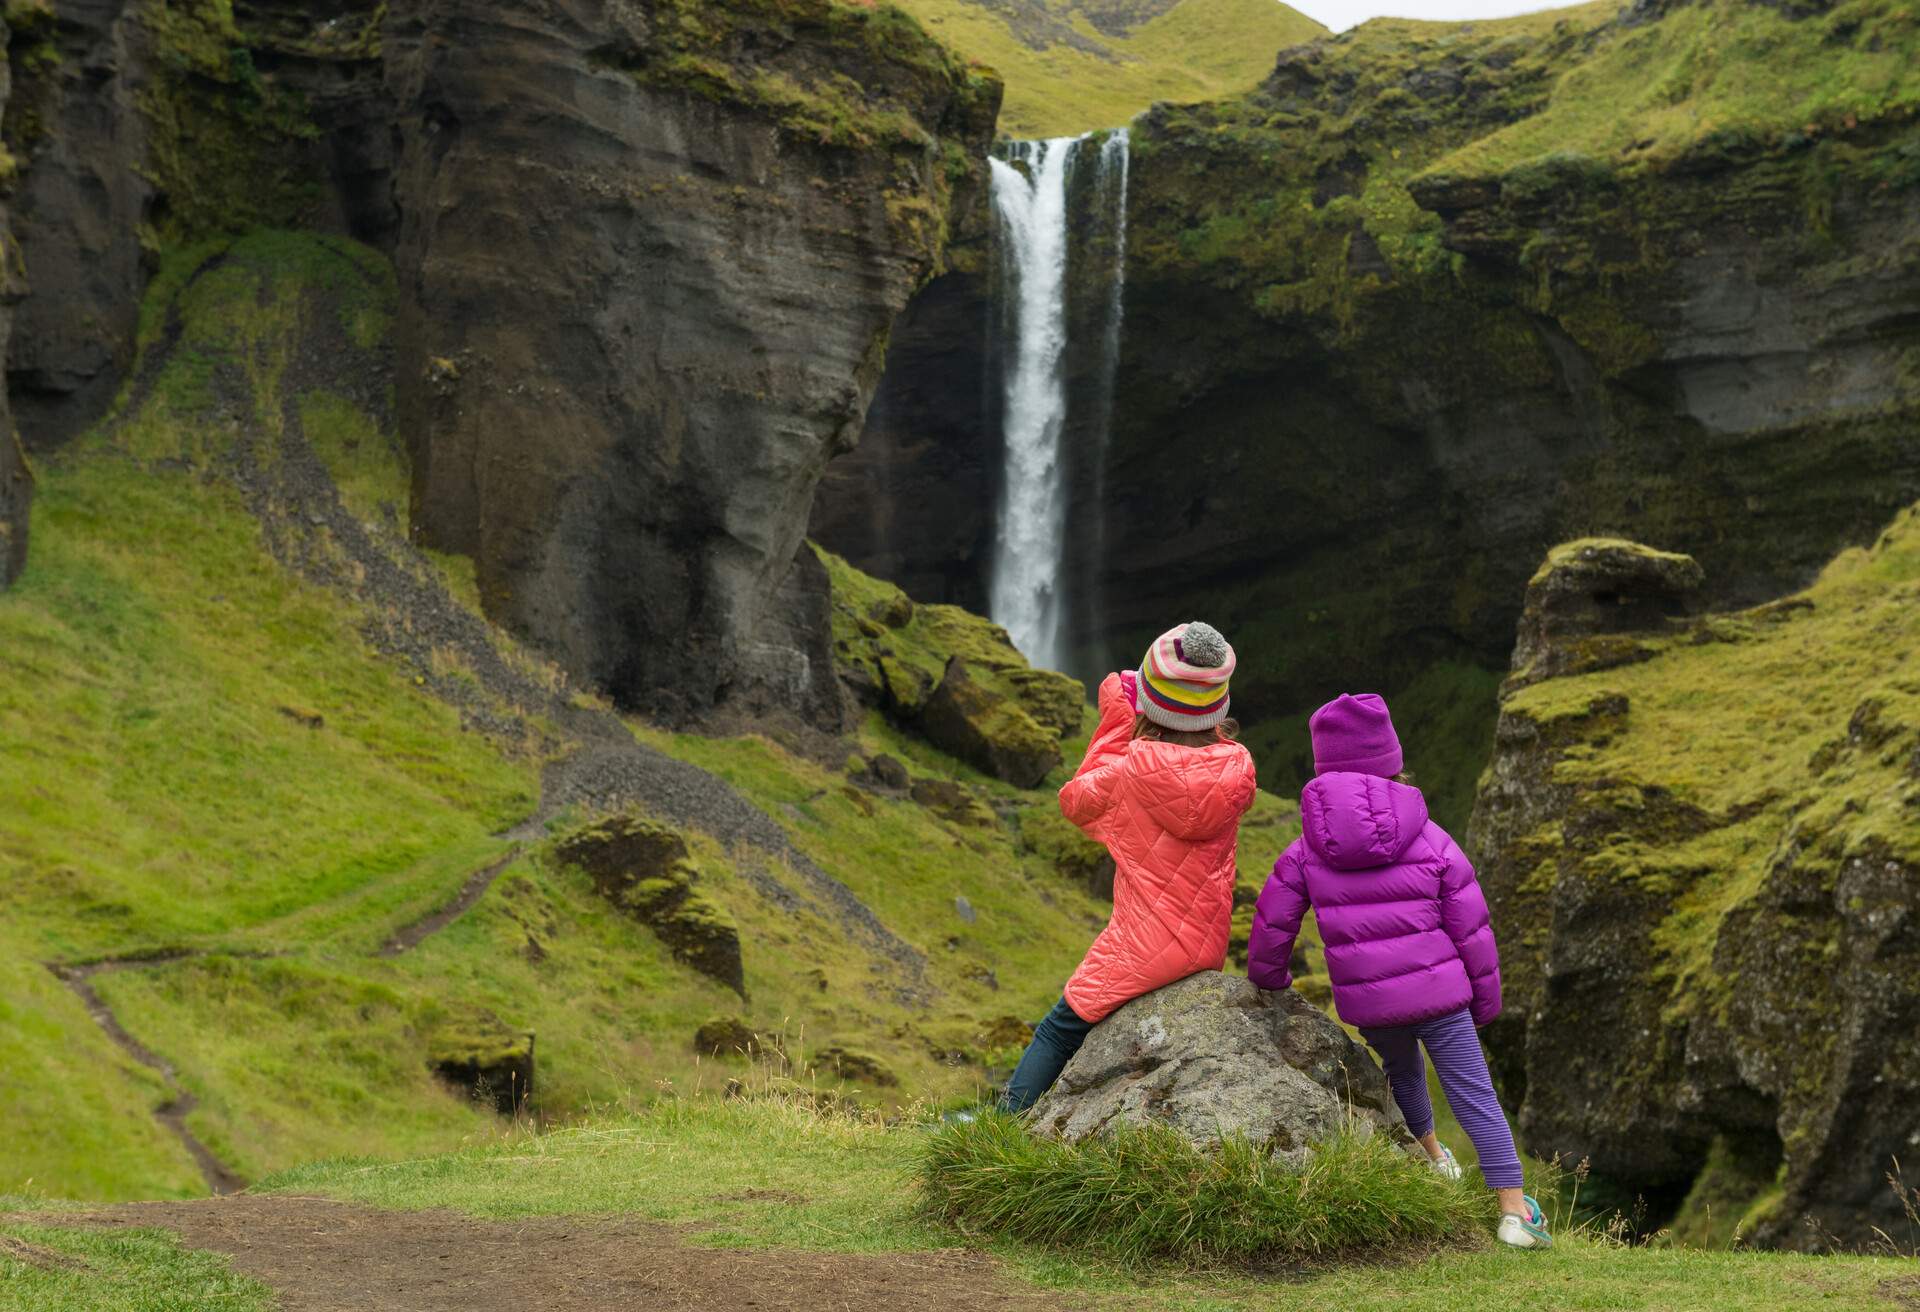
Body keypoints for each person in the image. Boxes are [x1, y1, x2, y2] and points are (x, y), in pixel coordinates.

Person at [1246, 693, 1552, 1250]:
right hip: (1441, 994)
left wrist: (1270, 979)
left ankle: (1434, 1158)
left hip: (1370, 1001)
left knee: (1402, 1073)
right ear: (1391, 760)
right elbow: (1472, 927)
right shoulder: (1430, 836)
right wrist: (1484, 1000)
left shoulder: (1305, 849)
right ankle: (1514, 1214)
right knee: (1473, 1093)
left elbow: (1273, 923)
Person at [999, 621, 1256, 1113]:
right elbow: (1187, 763)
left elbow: (1076, 800)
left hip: (1142, 947)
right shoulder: (1237, 768)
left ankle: (1001, 1127)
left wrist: (1118, 719)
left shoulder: (1126, 773)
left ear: (1150, 702)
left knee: (1059, 1026)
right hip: (1208, 942)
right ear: (1218, 703)